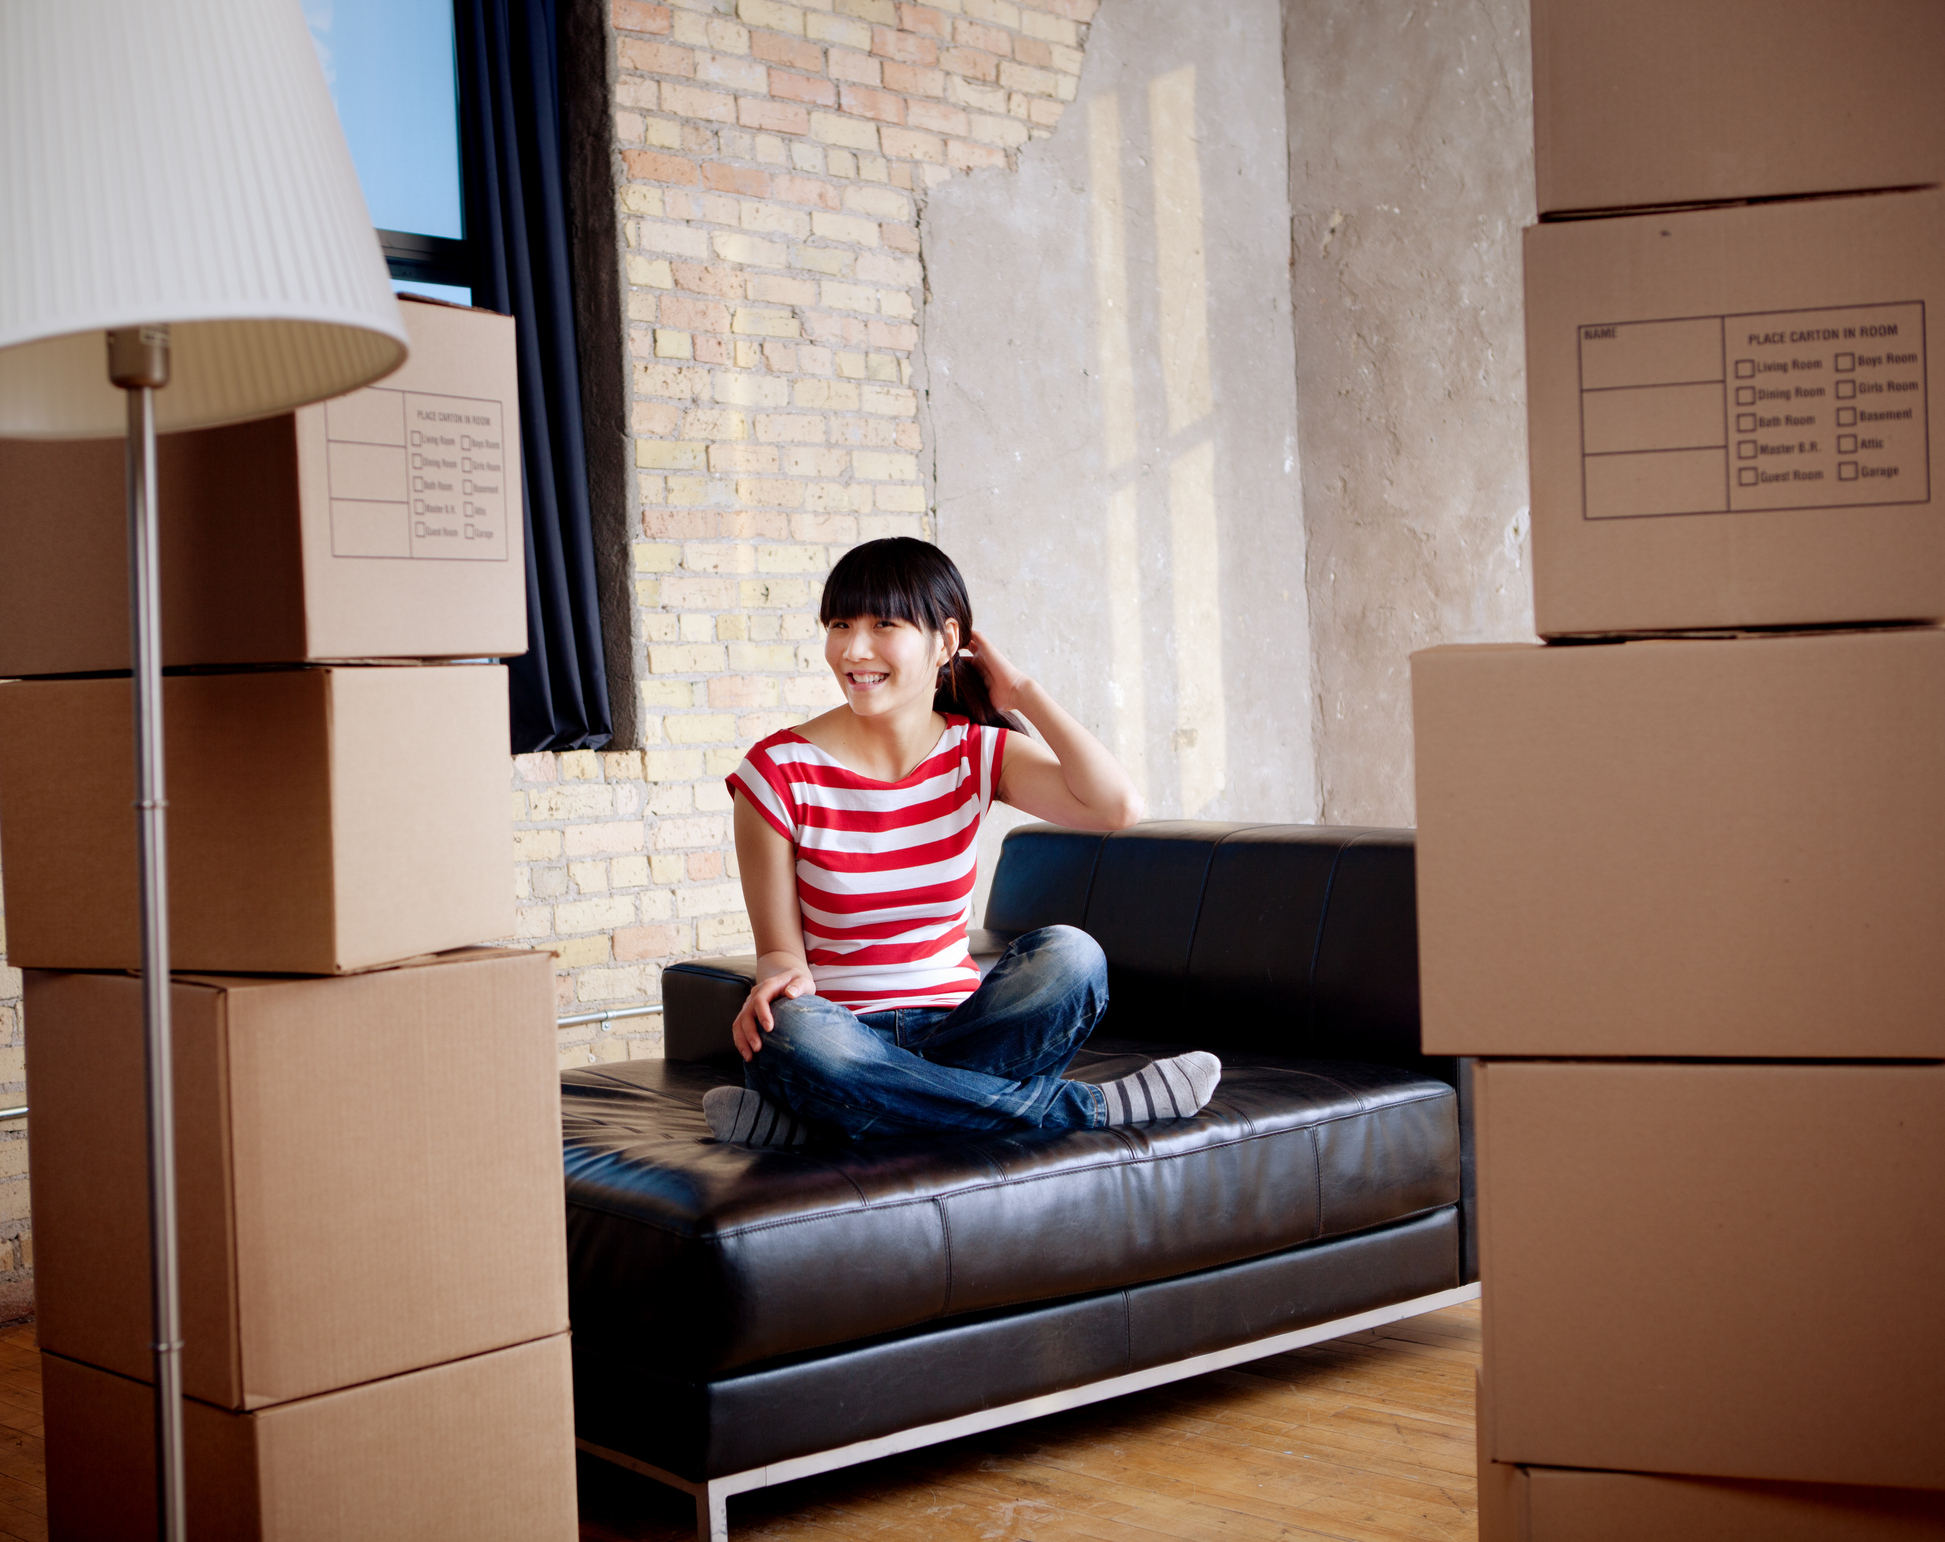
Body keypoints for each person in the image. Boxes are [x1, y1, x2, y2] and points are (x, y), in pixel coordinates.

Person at [706, 537, 1221, 1147]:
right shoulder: (777, 771)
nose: (853, 648)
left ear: (946, 641)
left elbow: (1116, 806)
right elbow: (781, 957)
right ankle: (1089, 1110)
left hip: (968, 1030)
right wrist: (780, 985)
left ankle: (830, 1123)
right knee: (790, 1030)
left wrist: (1020, 691)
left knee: (1074, 957)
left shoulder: (975, 753)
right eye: (840, 624)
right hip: (841, 1035)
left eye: (883, 624)